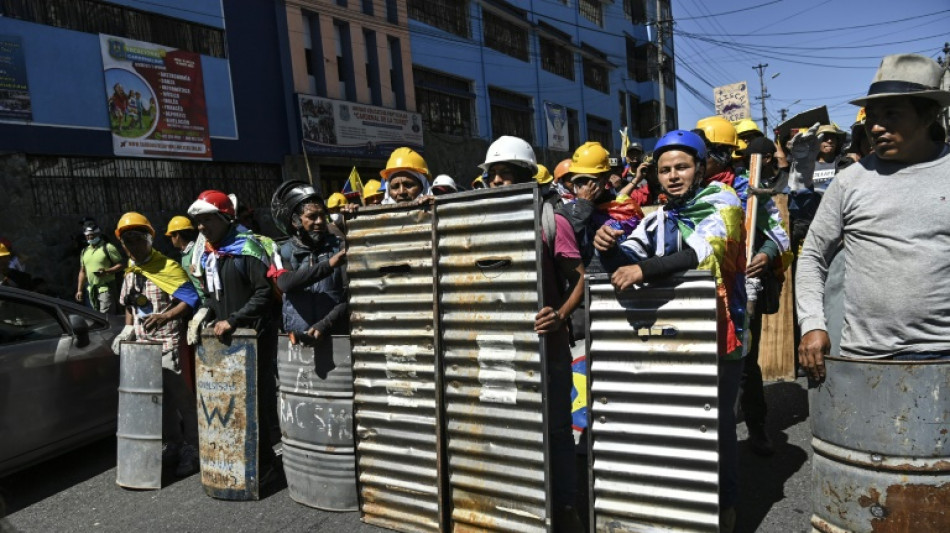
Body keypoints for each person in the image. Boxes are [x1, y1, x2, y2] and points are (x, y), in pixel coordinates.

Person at [594, 130, 745, 532]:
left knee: (718, 425)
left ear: (699, 169)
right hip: (677, 332)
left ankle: (726, 507)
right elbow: (628, 258)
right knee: (680, 424)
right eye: (665, 170)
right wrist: (607, 245)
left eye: (682, 167)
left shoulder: (723, 200)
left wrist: (642, 268)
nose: (673, 175)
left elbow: (703, 251)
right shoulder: (659, 217)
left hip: (721, 328)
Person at [797, 53, 950, 381]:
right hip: (866, 357)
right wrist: (811, 323)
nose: (876, 127)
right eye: (872, 117)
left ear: (928, 115)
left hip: (944, 354)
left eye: (891, 115)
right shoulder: (850, 180)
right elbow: (812, 256)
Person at [479, 135, 586, 531]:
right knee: (506, 427)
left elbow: (581, 280)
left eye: (506, 176)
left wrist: (559, 316)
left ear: (527, 178)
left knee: (557, 429)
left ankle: (565, 506)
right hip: (496, 347)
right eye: (493, 177)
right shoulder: (480, 218)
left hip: (548, 347)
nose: (497, 183)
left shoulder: (551, 220)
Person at [187, 190, 283, 482]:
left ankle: (266, 462)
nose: (201, 228)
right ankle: (243, 458)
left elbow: (264, 293)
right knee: (231, 403)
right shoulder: (208, 255)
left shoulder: (247, 249)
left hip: (254, 335)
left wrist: (234, 319)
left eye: (206, 221)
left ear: (224, 218)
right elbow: (211, 294)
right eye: (198, 222)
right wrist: (207, 313)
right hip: (226, 337)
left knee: (256, 399)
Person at [110, 212, 201, 477]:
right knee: (158, 402)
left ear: (150, 239)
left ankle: (193, 448)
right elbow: (129, 304)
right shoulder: (131, 270)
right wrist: (128, 328)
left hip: (168, 345)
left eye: (138, 239)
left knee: (182, 399)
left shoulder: (167, 267)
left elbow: (190, 299)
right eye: (127, 241)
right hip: (142, 349)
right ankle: (173, 444)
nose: (133, 246)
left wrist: (166, 316)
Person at [269, 182, 347, 344]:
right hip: (296, 341)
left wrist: (326, 323)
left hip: (337, 337)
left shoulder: (339, 247)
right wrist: (329, 265)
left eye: (322, 215)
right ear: (295, 221)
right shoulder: (281, 251)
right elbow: (285, 283)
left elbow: (351, 294)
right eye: (312, 216)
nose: (320, 221)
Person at [558, 141, 645, 273]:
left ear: (604, 179)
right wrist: (583, 207)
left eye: (589, 180)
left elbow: (637, 252)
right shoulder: (567, 211)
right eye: (579, 181)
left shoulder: (625, 208)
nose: (584, 187)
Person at [76, 221, 124, 314]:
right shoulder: (84, 251)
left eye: (92, 235)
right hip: (91, 291)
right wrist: (79, 290)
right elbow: (82, 271)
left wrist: (107, 271)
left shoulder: (108, 247)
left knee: (107, 317)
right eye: (88, 235)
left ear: (98, 234)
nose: (90, 237)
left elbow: (121, 265)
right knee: (96, 318)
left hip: (105, 289)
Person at [165, 216, 206, 304]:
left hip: (206, 301)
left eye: (171, 236)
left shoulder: (196, 251)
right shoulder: (185, 254)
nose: (171, 239)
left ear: (177, 236)